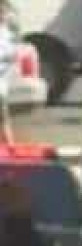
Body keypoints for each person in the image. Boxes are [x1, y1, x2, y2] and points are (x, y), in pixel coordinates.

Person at [0, 0, 17, 144]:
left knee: (4, 117)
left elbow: (12, 55)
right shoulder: (5, 34)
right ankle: (10, 145)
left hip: (2, 83)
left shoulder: (6, 33)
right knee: (4, 117)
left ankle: (10, 146)